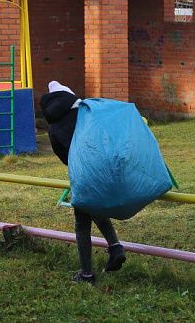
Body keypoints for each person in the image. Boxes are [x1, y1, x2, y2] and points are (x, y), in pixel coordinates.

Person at [40, 81, 126, 284]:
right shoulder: (86, 114)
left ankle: (87, 273)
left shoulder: (53, 127)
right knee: (95, 209)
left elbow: (63, 157)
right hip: (101, 169)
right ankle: (115, 247)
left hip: (80, 173)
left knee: (82, 224)